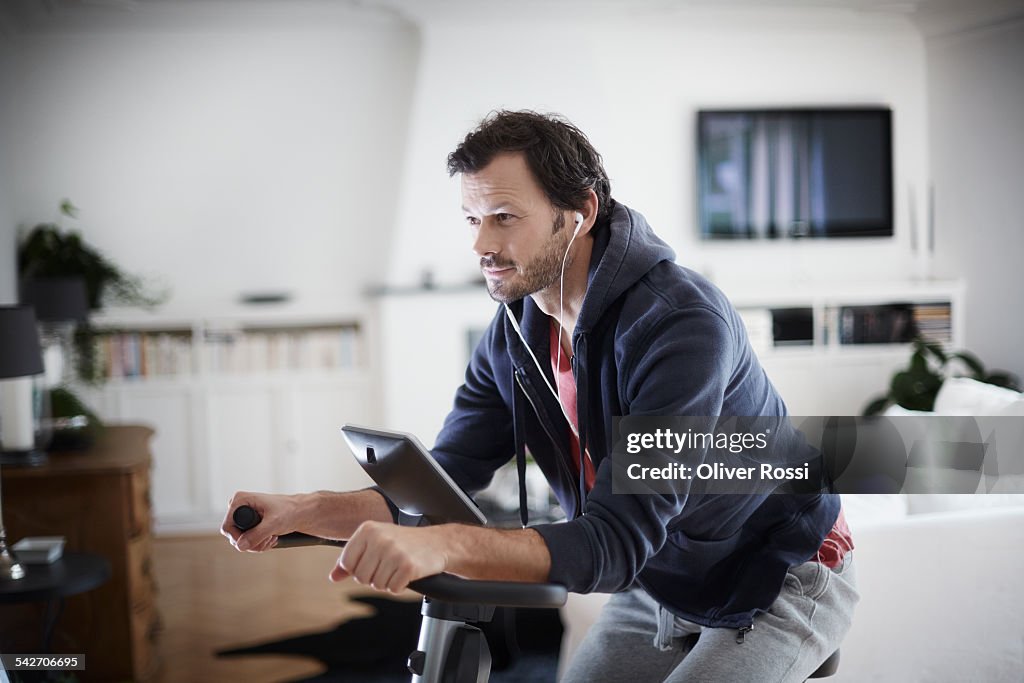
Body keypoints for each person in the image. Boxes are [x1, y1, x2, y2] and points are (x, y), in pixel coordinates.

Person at [222, 110, 858, 682]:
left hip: (774, 575)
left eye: (504, 218)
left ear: (578, 212)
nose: (481, 245)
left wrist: (443, 544)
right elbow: (446, 478)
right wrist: (302, 508)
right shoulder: (517, 330)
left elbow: (612, 542)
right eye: (473, 220)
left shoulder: (681, 325)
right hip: (665, 577)